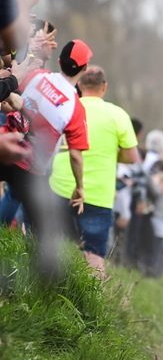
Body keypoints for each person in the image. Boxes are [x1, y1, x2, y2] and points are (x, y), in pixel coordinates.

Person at [48, 66, 139, 276]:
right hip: (97, 195)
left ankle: (52, 295)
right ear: (104, 87)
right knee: (94, 255)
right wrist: (110, 153)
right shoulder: (117, 114)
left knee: (55, 246)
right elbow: (132, 157)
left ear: (79, 85)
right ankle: (93, 305)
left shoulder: (67, 106)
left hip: (61, 186)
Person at [0, 39, 91, 234]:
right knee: (42, 230)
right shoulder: (76, 108)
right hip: (29, 167)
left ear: (59, 61)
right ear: (84, 69)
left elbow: (10, 92)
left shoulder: (37, 76)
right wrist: (80, 187)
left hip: (4, 143)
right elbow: (76, 156)